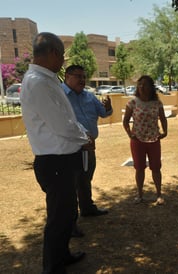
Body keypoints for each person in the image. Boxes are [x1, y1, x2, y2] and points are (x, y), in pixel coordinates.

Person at [20, 32, 90, 273]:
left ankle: (62, 256)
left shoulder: (46, 78)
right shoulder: (38, 82)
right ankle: (53, 266)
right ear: (51, 53)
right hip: (55, 161)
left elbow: (67, 116)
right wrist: (84, 138)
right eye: (61, 55)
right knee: (58, 218)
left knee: (66, 213)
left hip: (63, 160)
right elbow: (60, 124)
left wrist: (81, 134)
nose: (63, 60)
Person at [63, 65, 112, 219]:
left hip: (88, 148)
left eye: (84, 77)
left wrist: (108, 108)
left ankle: (87, 208)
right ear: (67, 76)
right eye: (78, 76)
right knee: (69, 184)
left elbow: (103, 113)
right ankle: (70, 221)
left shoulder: (89, 96)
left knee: (85, 178)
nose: (82, 80)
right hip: (69, 148)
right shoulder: (59, 96)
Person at [123, 75, 168, 205]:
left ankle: (159, 194)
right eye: (140, 84)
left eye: (145, 84)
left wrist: (165, 131)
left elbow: (163, 118)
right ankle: (140, 194)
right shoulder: (132, 102)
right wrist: (129, 133)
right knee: (139, 168)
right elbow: (125, 121)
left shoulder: (157, 103)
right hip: (138, 140)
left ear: (151, 87)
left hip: (154, 139)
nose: (142, 87)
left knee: (156, 168)